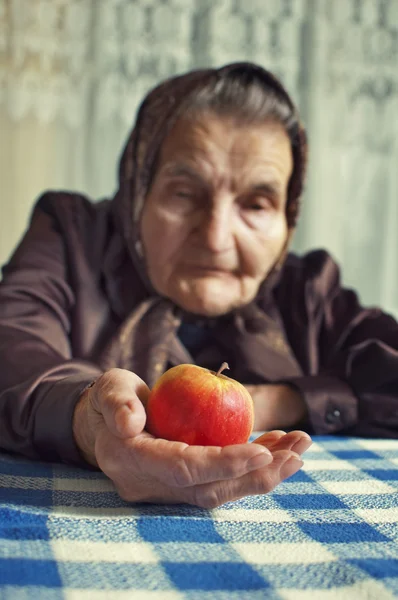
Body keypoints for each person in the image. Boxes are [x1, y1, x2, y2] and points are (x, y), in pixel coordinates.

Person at [1, 63, 397, 508]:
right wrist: (91, 421)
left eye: (256, 204)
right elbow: (14, 353)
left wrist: (280, 403)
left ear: (288, 221)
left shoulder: (307, 289)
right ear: (138, 190)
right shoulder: (70, 239)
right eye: (185, 194)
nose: (215, 237)